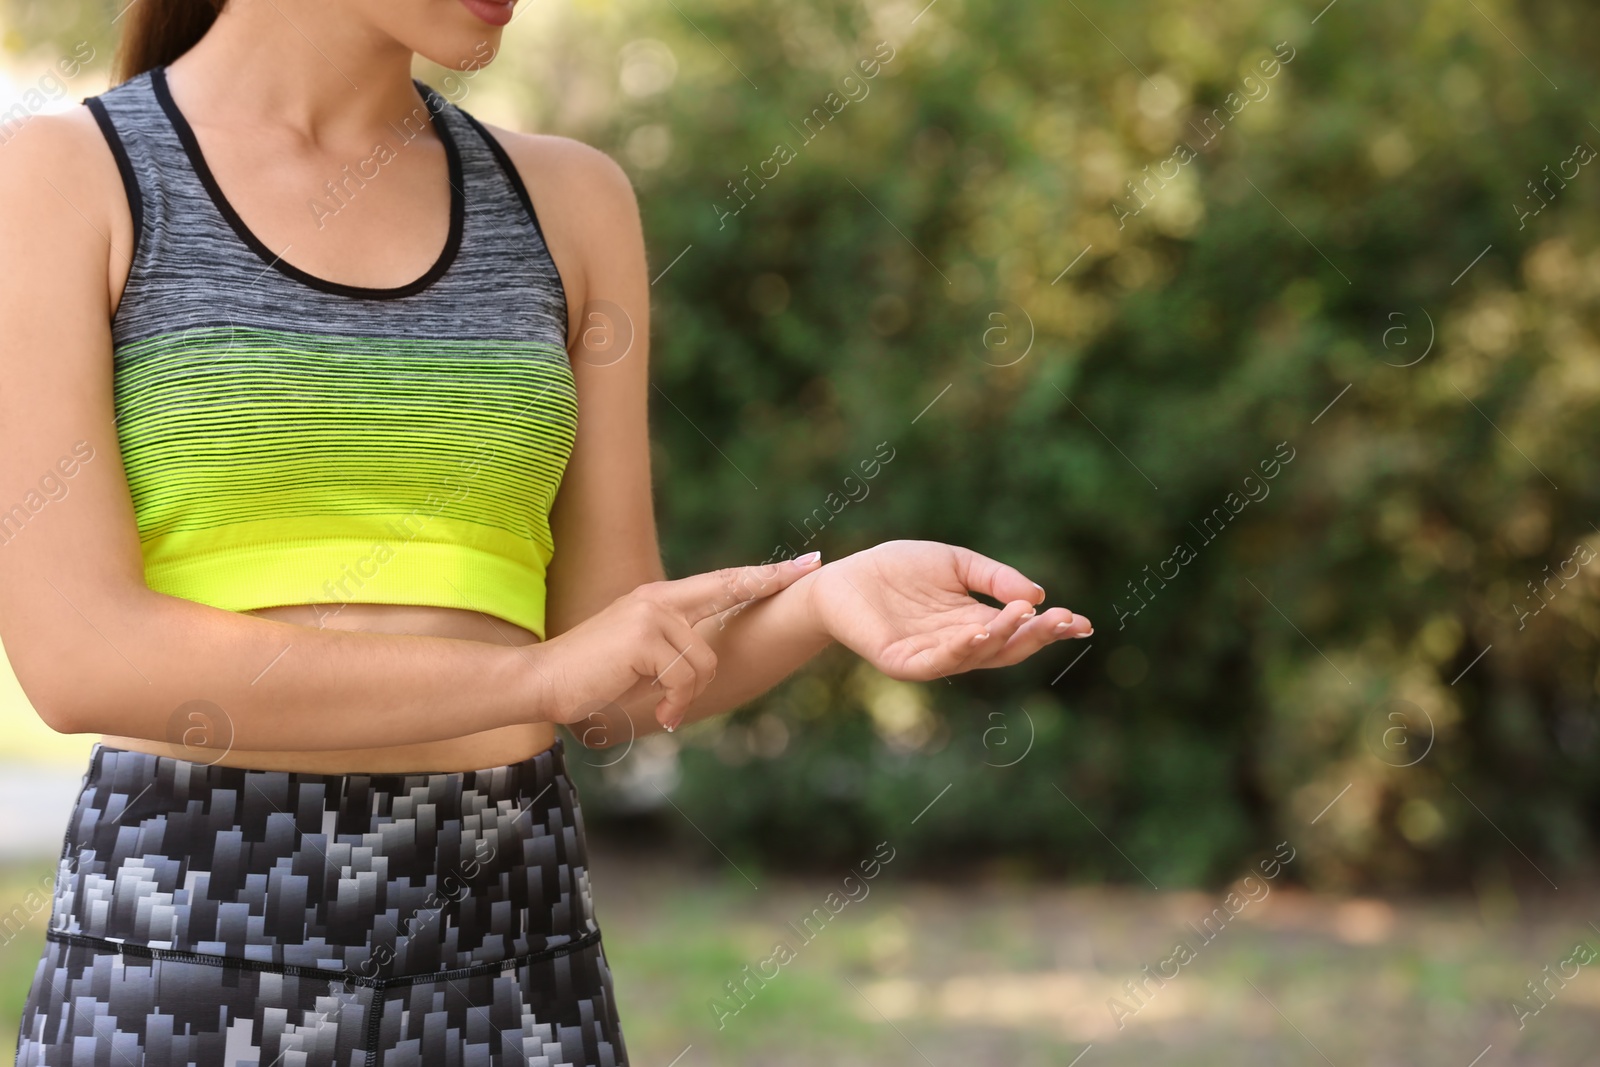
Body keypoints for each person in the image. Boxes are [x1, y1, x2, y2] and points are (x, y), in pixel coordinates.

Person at [0, 1, 1093, 1063]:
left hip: (510, 949)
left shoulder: (568, 201)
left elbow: (612, 670)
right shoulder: (59, 180)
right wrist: (535, 684)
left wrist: (818, 601)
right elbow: (82, 654)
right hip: (183, 939)